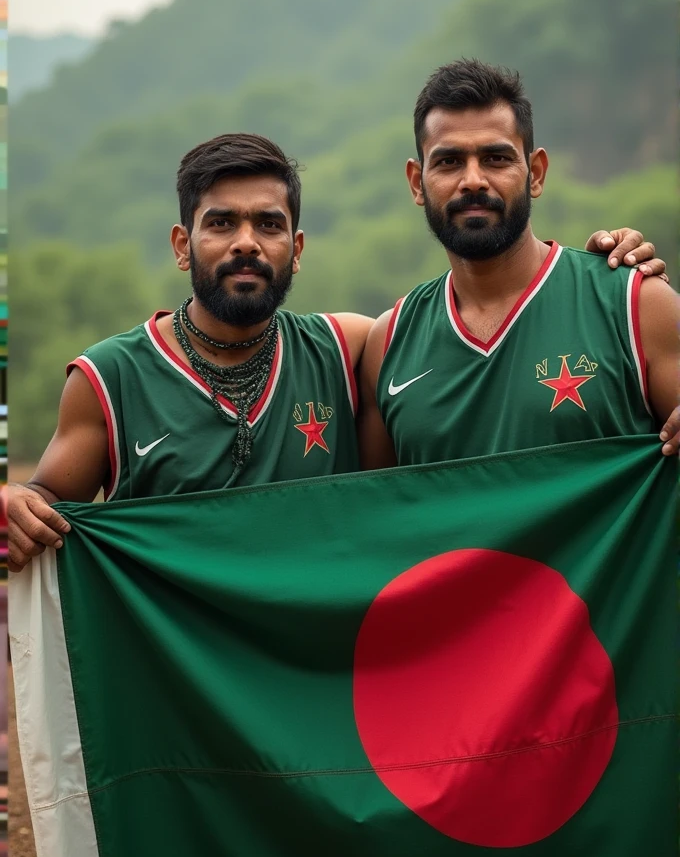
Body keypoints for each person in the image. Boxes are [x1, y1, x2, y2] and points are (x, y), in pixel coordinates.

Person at [6, 126, 668, 572]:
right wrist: (12, 505)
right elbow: (39, 509)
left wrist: (609, 269)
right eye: (221, 224)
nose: (245, 242)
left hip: (324, 707)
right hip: (179, 707)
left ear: (296, 249)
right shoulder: (109, 380)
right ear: (184, 245)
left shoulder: (356, 347)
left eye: (269, 224)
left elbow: (483, 338)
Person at [358, 59, 679, 467]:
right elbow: (378, 514)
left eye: (496, 158)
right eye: (449, 161)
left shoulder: (637, 303)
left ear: (536, 173)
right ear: (417, 182)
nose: (473, 179)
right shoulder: (388, 343)